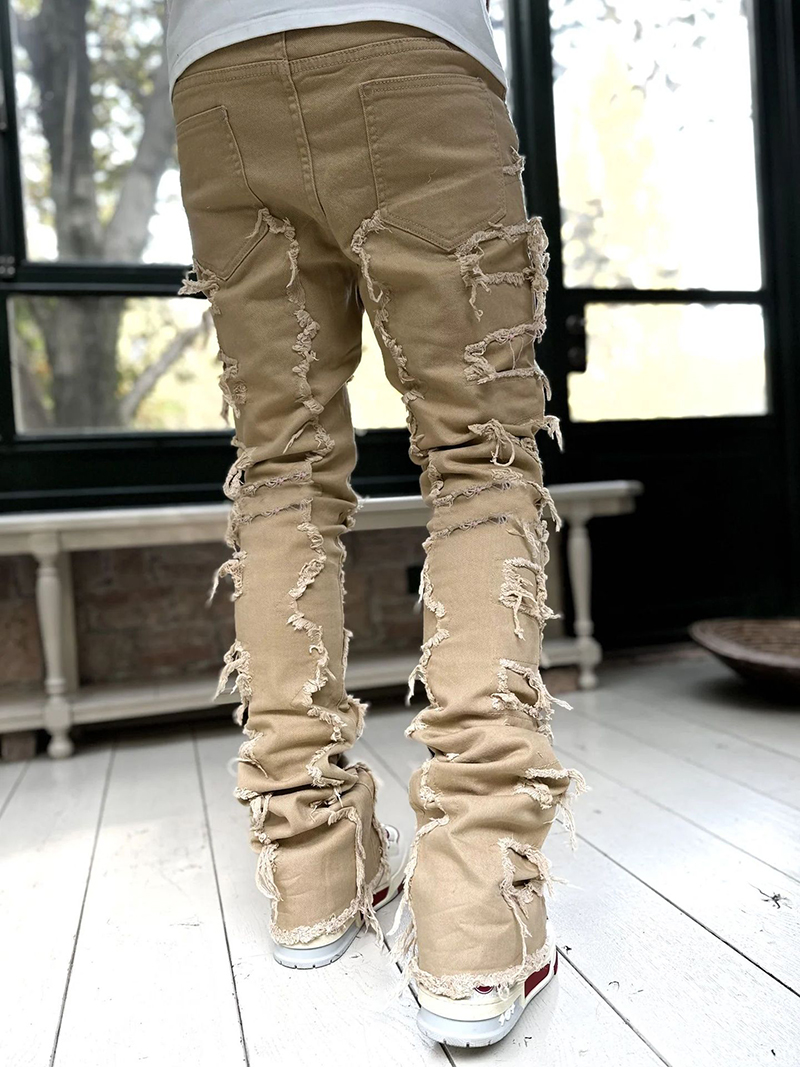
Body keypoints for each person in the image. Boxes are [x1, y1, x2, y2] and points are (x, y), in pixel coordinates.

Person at [166, 1, 585, 1048]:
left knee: (281, 469)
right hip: (409, 46)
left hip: (216, 75)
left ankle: (309, 865)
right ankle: (477, 903)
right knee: (482, 458)